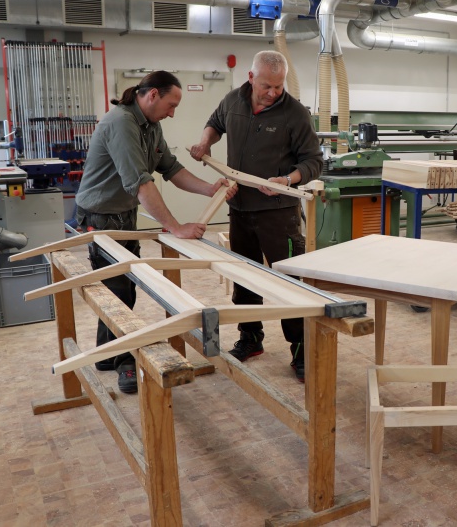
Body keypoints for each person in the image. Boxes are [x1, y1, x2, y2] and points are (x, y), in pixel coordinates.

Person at [75, 70, 230, 394]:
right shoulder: (122, 123)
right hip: (101, 218)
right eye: (171, 105)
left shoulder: (151, 125)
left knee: (122, 286)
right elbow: (141, 184)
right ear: (153, 95)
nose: (172, 113)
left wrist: (209, 189)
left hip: (123, 215)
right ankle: (125, 363)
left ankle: (106, 352)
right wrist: (175, 227)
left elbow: (170, 168)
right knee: (119, 290)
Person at [190, 51, 323, 383]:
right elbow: (215, 123)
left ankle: (301, 350)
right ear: (251, 78)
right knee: (244, 277)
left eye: (279, 86)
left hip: (279, 215)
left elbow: (313, 161)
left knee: (289, 282)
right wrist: (205, 142)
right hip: (239, 210)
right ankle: (251, 338)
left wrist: (287, 180)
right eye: (267, 86)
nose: (273, 93)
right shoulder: (233, 100)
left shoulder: (295, 113)